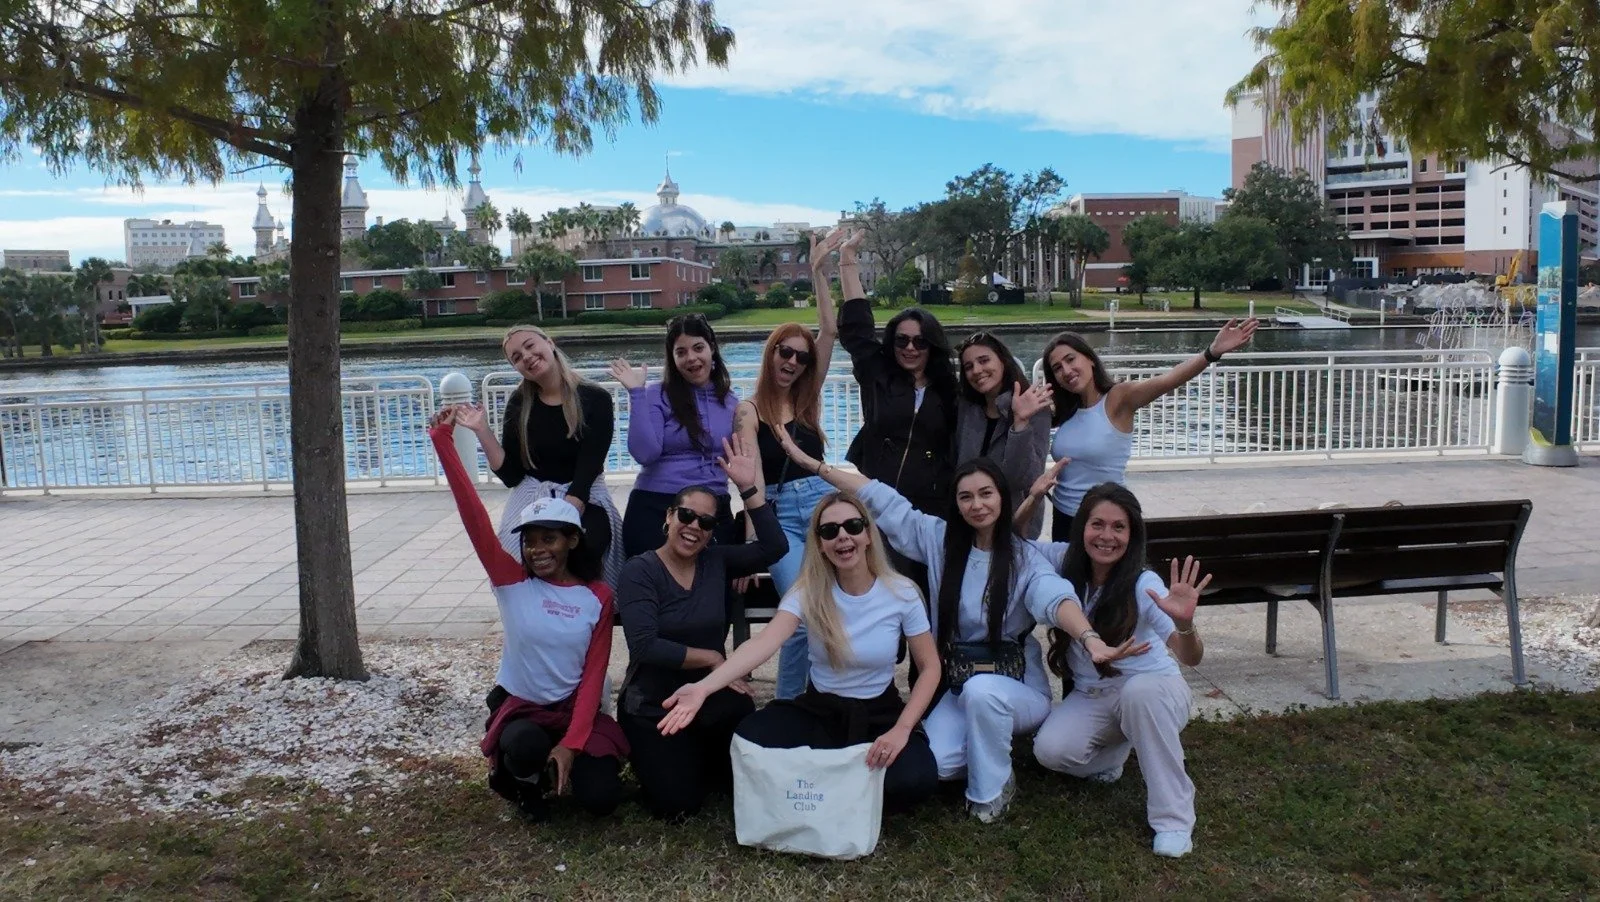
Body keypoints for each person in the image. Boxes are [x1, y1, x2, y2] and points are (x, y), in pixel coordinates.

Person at [768, 428, 1138, 823]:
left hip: (1018, 689)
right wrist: (813, 465)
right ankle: (988, 742)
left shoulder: (1026, 558)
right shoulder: (940, 540)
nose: (976, 504)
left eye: (986, 494)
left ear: (1001, 497)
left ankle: (991, 792)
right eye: (966, 496)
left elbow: (1055, 597)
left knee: (983, 695)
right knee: (938, 765)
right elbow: (880, 497)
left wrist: (1089, 637)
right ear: (957, 504)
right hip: (959, 685)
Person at [657, 491, 942, 812]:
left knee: (915, 779)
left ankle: (825, 782)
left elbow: (929, 666)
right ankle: (844, 784)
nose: (842, 536)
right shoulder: (809, 591)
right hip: (819, 711)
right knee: (751, 737)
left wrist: (901, 730)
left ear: (867, 534)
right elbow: (763, 643)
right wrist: (703, 687)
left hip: (879, 713)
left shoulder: (901, 592)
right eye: (829, 531)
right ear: (819, 543)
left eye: (852, 526)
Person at [428, 407, 626, 822]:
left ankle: (565, 764)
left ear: (572, 541)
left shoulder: (599, 596)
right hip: (524, 708)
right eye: (530, 540)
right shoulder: (512, 581)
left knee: (601, 799)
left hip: (573, 709)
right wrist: (442, 441)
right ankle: (523, 782)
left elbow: (592, 679)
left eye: (549, 539)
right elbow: (474, 517)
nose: (537, 549)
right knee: (523, 749)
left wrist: (571, 745)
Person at [1027, 482, 1209, 859]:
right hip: (1093, 695)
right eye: (1097, 524)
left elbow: (1189, 657)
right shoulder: (1063, 560)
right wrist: (1032, 498)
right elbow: (1009, 545)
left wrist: (1186, 624)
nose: (1106, 536)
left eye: (1118, 527)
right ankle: (1116, 753)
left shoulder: (1144, 583)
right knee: (1051, 752)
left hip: (1154, 690)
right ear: (1081, 528)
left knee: (1138, 696)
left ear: (1132, 534)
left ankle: (1173, 818)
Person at [614, 434, 788, 820]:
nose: (694, 526)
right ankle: (666, 759)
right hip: (653, 698)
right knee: (678, 805)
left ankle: (700, 758)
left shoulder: (716, 561)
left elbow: (775, 547)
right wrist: (713, 659)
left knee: (736, 730)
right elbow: (645, 645)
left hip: (710, 695)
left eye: (706, 522)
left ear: (712, 531)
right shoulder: (640, 570)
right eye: (687, 515)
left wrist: (748, 489)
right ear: (669, 516)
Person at [734, 227, 850, 700]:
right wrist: (751, 538)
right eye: (786, 351)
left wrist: (819, 269)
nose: (795, 361)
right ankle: (788, 709)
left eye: (802, 357)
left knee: (841, 612)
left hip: (823, 506)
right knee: (798, 619)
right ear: (772, 353)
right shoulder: (749, 410)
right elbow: (751, 478)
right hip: (779, 516)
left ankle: (834, 697)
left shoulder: (807, 401)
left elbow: (831, 330)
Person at [1030, 320, 1258, 540]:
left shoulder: (1118, 399)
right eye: (1057, 368)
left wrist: (1211, 352)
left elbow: (1168, 380)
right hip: (1063, 520)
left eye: (1071, 359)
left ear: (1089, 359)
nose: (1066, 370)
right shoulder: (1064, 412)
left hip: (1105, 521)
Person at [456, 325, 624, 586]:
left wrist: (565, 514)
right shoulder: (519, 403)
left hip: (583, 491)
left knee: (586, 551)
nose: (527, 357)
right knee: (515, 557)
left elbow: (590, 463)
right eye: (517, 357)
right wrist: (482, 430)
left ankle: (593, 614)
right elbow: (512, 475)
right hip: (533, 492)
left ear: (549, 343)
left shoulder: (595, 398)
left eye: (530, 346)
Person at [836, 235, 957, 592]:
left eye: (919, 341)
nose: (909, 348)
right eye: (902, 340)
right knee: (877, 589)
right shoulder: (879, 374)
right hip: (877, 497)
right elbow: (857, 327)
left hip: (928, 507)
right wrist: (847, 261)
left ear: (931, 345)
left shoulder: (951, 390)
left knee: (922, 592)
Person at [612, 312, 741, 557]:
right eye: (681, 352)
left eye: (698, 348)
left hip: (710, 507)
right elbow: (645, 453)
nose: (691, 358)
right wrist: (637, 394)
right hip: (657, 503)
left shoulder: (732, 403)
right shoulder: (656, 394)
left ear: (712, 349)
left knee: (714, 588)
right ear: (672, 359)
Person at [954, 330, 1052, 538]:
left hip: (1014, 524)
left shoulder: (1035, 409)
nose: (977, 370)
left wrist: (1020, 423)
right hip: (970, 522)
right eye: (969, 366)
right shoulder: (967, 408)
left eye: (984, 360)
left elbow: (1024, 479)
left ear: (1003, 361)